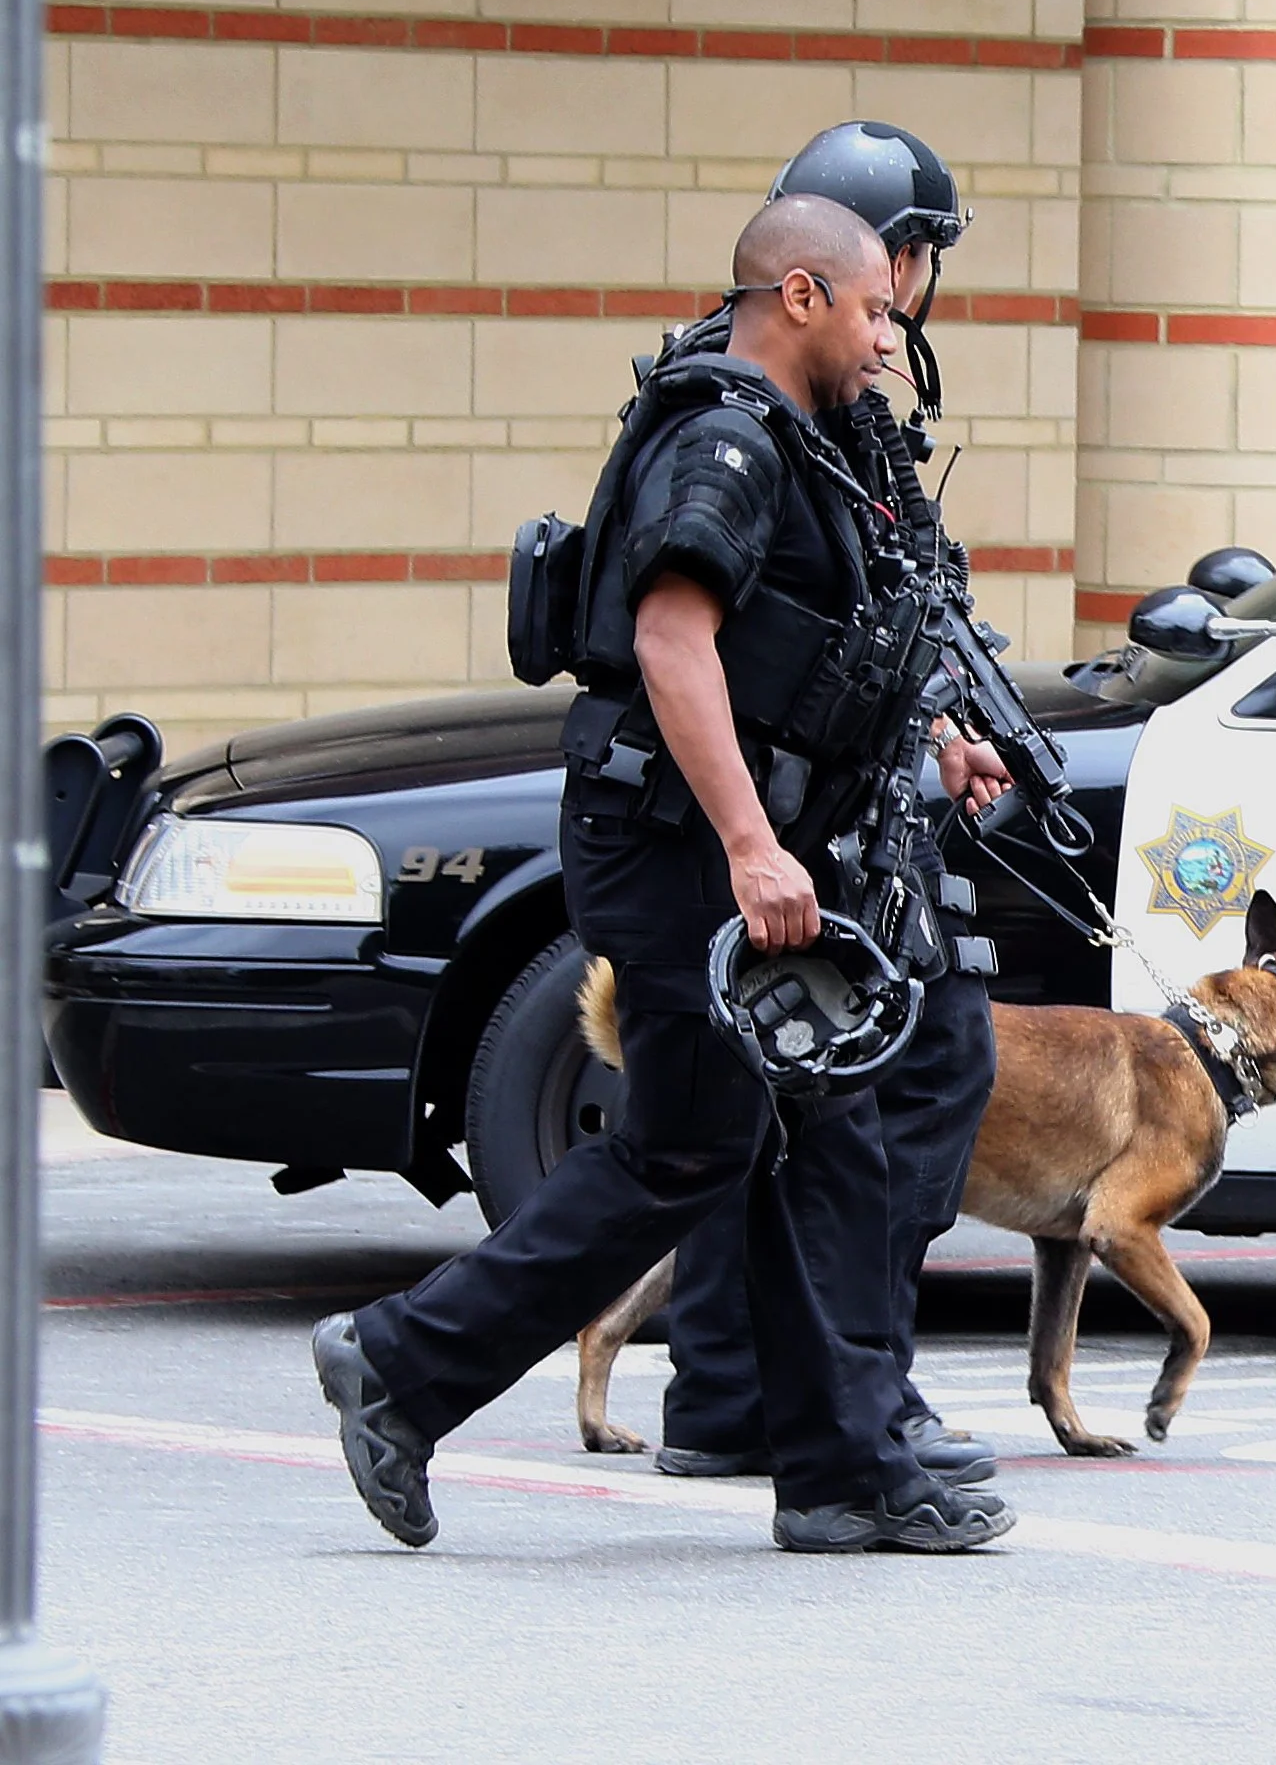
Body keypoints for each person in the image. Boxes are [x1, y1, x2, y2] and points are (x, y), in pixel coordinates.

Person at [312, 196, 1015, 1554]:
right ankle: (416, 1365)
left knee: (762, 1143)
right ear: (801, 295)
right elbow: (676, 642)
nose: (890, 336)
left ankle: (829, 1471)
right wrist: (754, 848)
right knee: (747, 1139)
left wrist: (932, 729)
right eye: (875, 308)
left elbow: (810, 639)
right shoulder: (725, 440)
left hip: (721, 828)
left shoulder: (799, 443)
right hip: (682, 838)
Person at [637, 123, 1005, 1489]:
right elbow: (728, 630)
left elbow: (875, 604)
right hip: (792, 811)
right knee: (898, 1082)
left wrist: (940, 725)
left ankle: (753, 1395)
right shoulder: (755, 415)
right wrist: (755, 834)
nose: (906, 299)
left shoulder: (829, 402)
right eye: (903, 264)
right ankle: (846, 1401)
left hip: (829, 793)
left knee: (780, 1112)